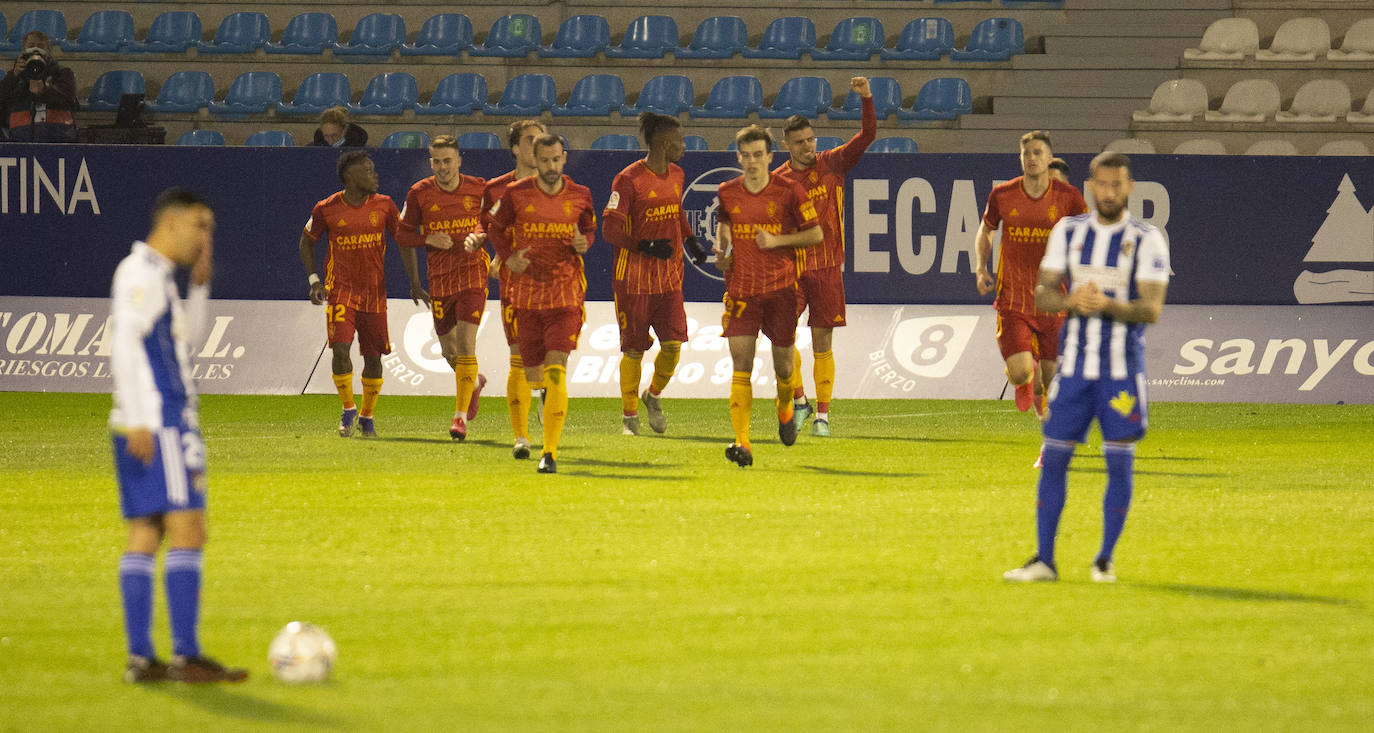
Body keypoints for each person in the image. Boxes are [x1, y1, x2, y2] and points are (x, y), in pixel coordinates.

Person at [1003, 152, 1171, 583]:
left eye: (1118, 185)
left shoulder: (1147, 238)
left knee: (1119, 463)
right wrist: (1070, 300)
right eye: (1103, 184)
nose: (1110, 192)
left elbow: (1151, 310)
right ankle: (1044, 559)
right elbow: (1041, 295)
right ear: (1091, 188)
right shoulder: (1069, 232)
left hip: (1120, 372)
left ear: (1128, 188)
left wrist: (1107, 305)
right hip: (1074, 372)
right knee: (1055, 460)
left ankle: (1104, 559)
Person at [110, 188, 247, 683]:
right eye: (200, 225)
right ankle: (184, 654)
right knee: (189, 528)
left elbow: (185, 346)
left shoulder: (158, 275)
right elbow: (123, 342)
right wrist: (144, 418)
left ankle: (144, 659)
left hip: (158, 418)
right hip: (159, 419)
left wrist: (200, 288)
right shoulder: (141, 272)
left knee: (149, 528)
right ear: (171, 224)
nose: (205, 237)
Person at [485, 132, 597, 474]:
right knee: (533, 374)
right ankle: (539, 405)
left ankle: (549, 452)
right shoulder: (515, 195)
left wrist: (583, 242)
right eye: (545, 160)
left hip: (565, 294)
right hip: (527, 296)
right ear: (535, 159)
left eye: (556, 159)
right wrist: (506, 257)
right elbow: (494, 227)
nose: (551, 166)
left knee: (556, 368)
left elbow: (589, 228)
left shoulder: (580, 194)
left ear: (564, 158)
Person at [713, 125, 823, 467]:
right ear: (738, 158)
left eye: (758, 155)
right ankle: (742, 443)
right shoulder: (728, 191)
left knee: (785, 369)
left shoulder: (789, 191)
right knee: (741, 365)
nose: (752, 162)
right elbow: (725, 222)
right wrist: (722, 249)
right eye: (745, 155)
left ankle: (786, 407)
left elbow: (816, 234)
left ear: (770, 156)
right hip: (742, 291)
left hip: (780, 291)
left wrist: (777, 242)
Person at [773, 77, 876, 437]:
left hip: (828, 267)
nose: (807, 147)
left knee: (823, 342)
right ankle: (799, 400)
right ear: (785, 144)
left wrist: (866, 98)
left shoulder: (832, 163)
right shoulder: (778, 181)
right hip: (794, 269)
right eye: (799, 142)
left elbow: (867, 136)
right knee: (781, 337)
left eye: (811, 139)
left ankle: (823, 417)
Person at [299, 151, 425, 437]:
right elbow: (306, 242)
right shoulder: (326, 208)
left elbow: (404, 240)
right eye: (368, 171)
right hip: (340, 291)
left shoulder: (384, 205)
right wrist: (314, 279)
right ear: (351, 176)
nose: (375, 175)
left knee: (373, 358)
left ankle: (367, 416)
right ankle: (347, 409)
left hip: (374, 295)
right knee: (340, 349)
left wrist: (414, 281)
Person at [602, 112, 708, 436]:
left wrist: (690, 241)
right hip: (633, 280)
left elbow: (676, 211)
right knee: (633, 349)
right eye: (680, 139)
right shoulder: (628, 179)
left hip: (669, 279)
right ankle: (629, 417)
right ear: (664, 142)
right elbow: (609, 229)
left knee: (674, 345)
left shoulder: (676, 174)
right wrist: (645, 245)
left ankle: (653, 395)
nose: (684, 145)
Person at [973, 131, 1088, 424]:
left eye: (1038, 153)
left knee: (1053, 380)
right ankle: (1022, 380)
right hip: (1014, 299)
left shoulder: (1069, 198)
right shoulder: (1003, 194)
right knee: (1022, 371)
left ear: (1050, 159)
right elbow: (986, 230)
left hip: (1054, 301)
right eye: (1027, 153)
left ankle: (1047, 429)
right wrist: (981, 267)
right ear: (1020, 159)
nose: (1032, 158)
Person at [464, 119, 547, 460]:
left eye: (541, 140)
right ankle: (522, 437)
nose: (536, 146)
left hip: (555, 284)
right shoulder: (496, 190)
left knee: (547, 362)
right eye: (529, 140)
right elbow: (486, 229)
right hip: (515, 285)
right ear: (514, 148)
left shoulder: (558, 186)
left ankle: (543, 390)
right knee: (519, 358)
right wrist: (482, 244)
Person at [398, 135, 488, 440]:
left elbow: (491, 223)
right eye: (436, 161)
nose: (442, 167)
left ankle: (459, 417)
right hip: (439, 279)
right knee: (450, 353)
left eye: (447, 160)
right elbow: (401, 234)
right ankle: (474, 382)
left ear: (460, 160)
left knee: (465, 347)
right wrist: (427, 239)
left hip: (472, 273)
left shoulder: (478, 188)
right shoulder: (419, 194)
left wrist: (477, 234)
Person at [0, 31, 78, 142]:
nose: (35, 50)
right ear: (23, 51)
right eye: (31, 46)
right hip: (19, 145)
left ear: (48, 52)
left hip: (59, 143)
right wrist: (14, 75)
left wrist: (44, 91)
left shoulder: (62, 73)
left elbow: (69, 100)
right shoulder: (14, 79)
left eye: (41, 46)